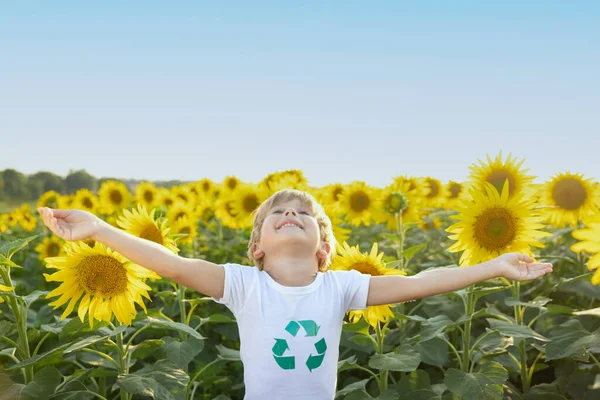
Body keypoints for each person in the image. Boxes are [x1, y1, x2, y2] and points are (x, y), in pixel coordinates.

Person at [38, 189, 553, 400]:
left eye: (304, 214)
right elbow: (170, 264)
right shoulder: (241, 285)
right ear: (257, 248)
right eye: (277, 215)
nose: (291, 215)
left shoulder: (341, 287)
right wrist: (99, 228)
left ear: (324, 249)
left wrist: (493, 266)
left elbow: (420, 283)